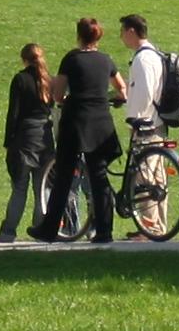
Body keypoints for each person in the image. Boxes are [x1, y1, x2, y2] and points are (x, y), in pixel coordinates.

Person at [41, 18, 120, 243]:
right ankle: (105, 230)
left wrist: (65, 98)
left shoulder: (72, 59)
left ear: (79, 35)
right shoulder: (106, 60)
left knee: (64, 175)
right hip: (101, 123)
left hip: (76, 121)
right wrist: (113, 98)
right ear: (98, 37)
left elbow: (58, 94)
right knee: (99, 176)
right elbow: (121, 88)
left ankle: (49, 228)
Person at [114, 12, 173, 237]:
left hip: (147, 125)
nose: (121, 37)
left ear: (131, 31)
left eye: (122, 32)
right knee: (157, 178)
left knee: (146, 178)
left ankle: (149, 227)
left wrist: (137, 119)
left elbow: (146, 91)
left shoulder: (143, 58)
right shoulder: (152, 55)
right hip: (156, 123)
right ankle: (157, 227)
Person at [0, 41, 55, 244]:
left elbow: (13, 112)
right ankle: (39, 229)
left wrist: (8, 140)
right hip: (45, 137)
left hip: (24, 138)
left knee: (19, 188)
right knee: (41, 190)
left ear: (24, 59)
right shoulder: (49, 80)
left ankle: (8, 232)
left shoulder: (20, 79)